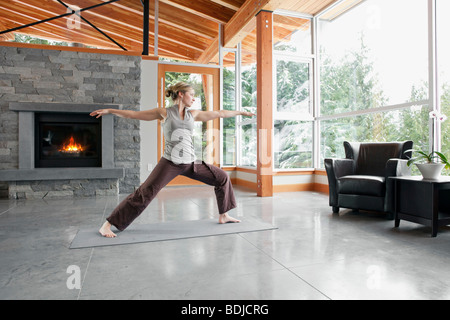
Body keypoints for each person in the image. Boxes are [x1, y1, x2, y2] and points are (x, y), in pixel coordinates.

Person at [90, 82, 255, 238]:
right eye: (191, 95)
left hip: (191, 162)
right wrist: (110, 111)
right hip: (170, 162)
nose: (194, 98)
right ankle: (108, 224)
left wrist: (241, 112)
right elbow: (134, 114)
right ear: (181, 95)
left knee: (222, 177)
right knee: (144, 194)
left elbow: (219, 113)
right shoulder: (164, 112)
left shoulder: (193, 114)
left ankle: (224, 215)